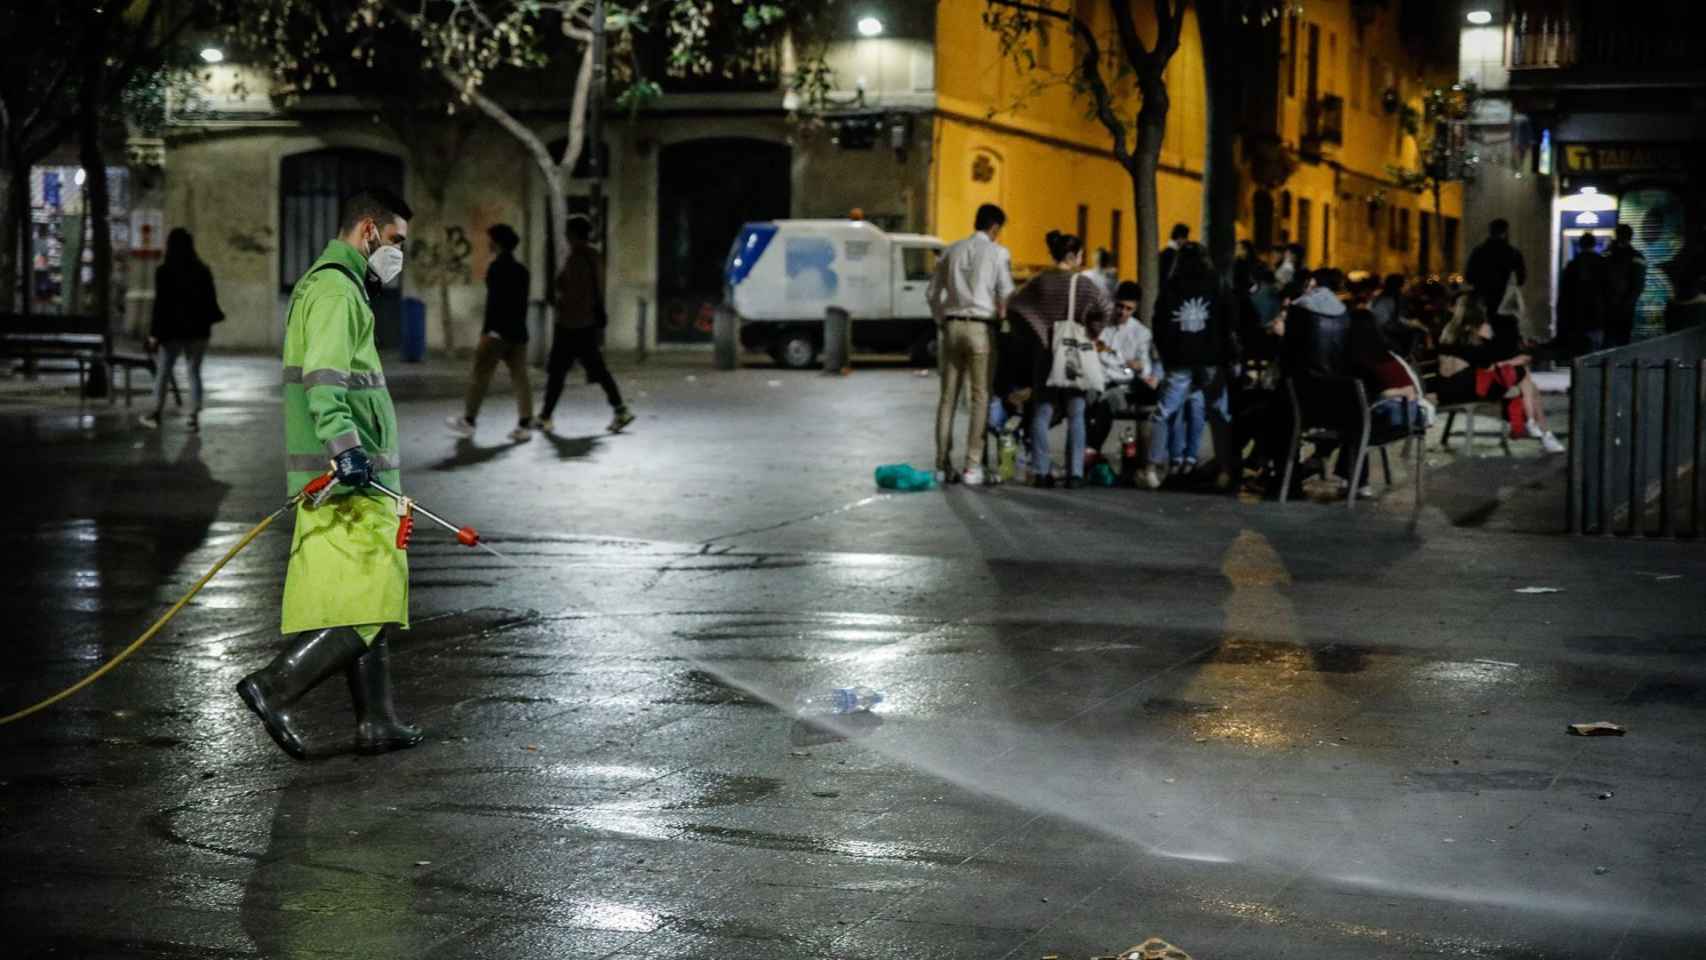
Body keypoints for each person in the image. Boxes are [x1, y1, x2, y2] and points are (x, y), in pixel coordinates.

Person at [237, 188, 422, 761]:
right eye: (394, 242)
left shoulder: (325, 286)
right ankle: (275, 686)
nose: (397, 255)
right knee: (371, 597)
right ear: (368, 231)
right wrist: (347, 452)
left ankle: (377, 720)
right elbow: (325, 383)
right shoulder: (338, 293)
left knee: (363, 594)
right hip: (350, 476)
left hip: (352, 474)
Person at [1005, 230, 1112, 489]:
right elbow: (1105, 308)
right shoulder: (1084, 284)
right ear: (1073, 255)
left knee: (1041, 412)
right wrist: (1091, 331)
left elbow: (1014, 305)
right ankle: (1074, 473)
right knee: (1076, 413)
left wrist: (1038, 334)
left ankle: (1042, 471)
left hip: (1046, 354)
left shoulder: (1039, 281)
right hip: (1074, 353)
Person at [926, 202, 1014, 486]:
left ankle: (941, 464)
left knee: (947, 398)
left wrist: (942, 319)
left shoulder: (950, 250)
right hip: (980, 329)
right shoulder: (998, 253)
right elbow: (1006, 293)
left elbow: (931, 293)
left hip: (951, 326)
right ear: (995, 227)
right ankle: (971, 465)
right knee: (979, 398)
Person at [1144, 242, 1237, 491]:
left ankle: (1152, 467)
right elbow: (1230, 318)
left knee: (1164, 412)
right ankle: (1225, 469)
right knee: (1218, 414)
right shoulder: (1217, 283)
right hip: (1211, 358)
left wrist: (1167, 355)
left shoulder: (1172, 286)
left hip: (1180, 359)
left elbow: (1159, 324)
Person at [1432, 294, 1564, 453]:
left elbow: (1481, 362)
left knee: (1524, 380)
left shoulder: (1449, 330)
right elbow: (1488, 364)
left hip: (1448, 388)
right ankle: (1541, 431)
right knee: (1523, 376)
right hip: (1467, 389)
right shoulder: (1478, 330)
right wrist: (1513, 360)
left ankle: (1535, 426)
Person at [538, 215, 633, 434]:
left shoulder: (577, 258)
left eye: (567, 232)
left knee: (558, 372)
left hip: (571, 324)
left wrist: (560, 297)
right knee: (597, 370)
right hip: (587, 323)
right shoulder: (594, 256)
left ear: (572, 234)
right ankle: (620, 410)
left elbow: (571, 291)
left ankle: (545, 417)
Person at [447, 224, 534, 442]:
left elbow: (495, 304)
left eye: (492, 239)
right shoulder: (523, 271)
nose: (489, 243)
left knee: (480, 376)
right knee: (520, 378)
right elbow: (521, 305)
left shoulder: (496, 268)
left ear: (498, 243)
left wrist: (489, 332)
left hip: (497, 334)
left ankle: (469, 420)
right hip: (518, 333)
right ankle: (525, 424)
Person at [140, 228, 223, 431]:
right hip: (198, 331)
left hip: (172, 332)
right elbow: (210, 300)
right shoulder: (203, 270)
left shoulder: (164, 271)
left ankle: (155, 413)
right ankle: (193, 416)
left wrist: (154, 334)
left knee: (163, 372)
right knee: (194, 371)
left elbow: (160, 306)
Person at [1085, 280, 1160, 455]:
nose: (1122, 312)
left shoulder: (1141, 333)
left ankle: (1091, 450)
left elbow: (1145, 369)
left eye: (1128, 309)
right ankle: (1086, 451)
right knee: (1084, 401)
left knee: (1108, 402)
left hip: (1123, 386)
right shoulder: (1101, 326)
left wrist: (1138, 366)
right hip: (1099, 380)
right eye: (1120, 306)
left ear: (1135, 309)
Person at [1557, 233, 1610, 357]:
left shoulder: (1572, 265)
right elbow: (1608, 290)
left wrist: (1562, 318)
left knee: (1578, 354)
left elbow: (1564, 294)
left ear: (1580, 245)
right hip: (1597, 316)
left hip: (1576, 317)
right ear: (1594, 244)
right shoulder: (1603, 263)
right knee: (1596, 354)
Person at [1464, 218, 1527, 319]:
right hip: (1504, 304)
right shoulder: (1513, 253)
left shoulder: (1478, 252)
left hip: (1482, 302)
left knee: (1483, 331)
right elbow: (1521, 280)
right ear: (1505, 232)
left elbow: (1468, 277)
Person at [1603, 223, 1648, 348]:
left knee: (1609, 341)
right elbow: (1639, 285)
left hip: (1610, 308)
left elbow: (1600, 281)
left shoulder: (1607, 254)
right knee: (1622, 342)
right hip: (1623, 309)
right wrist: (1628, 304)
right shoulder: (1636, 257)